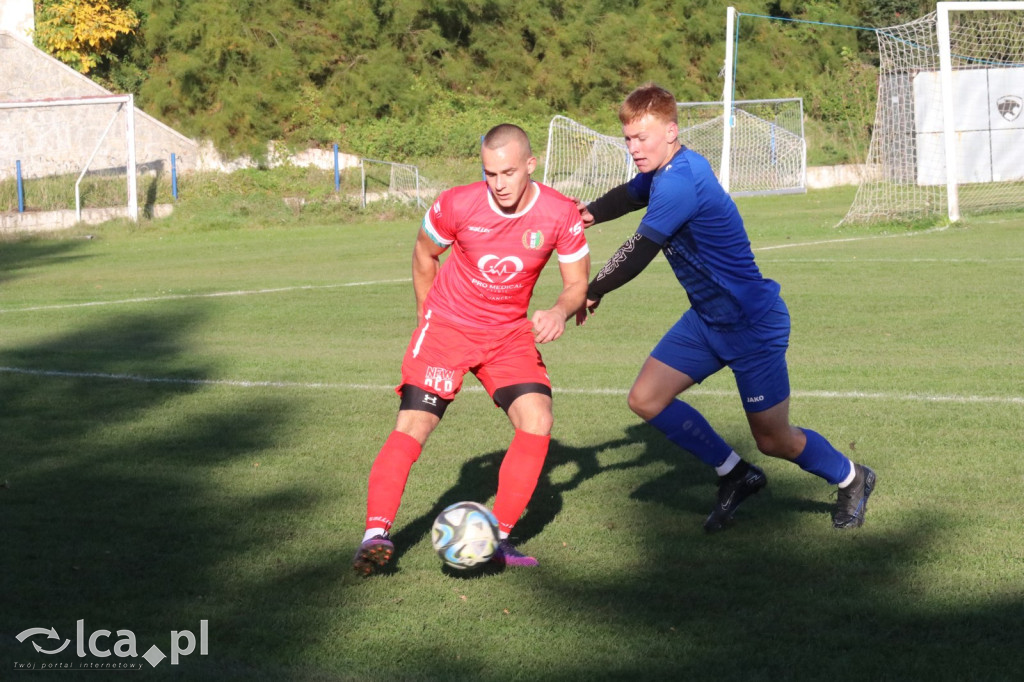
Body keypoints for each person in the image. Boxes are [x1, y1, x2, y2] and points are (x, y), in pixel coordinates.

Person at [574, 83, 875, 532]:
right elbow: (629, 194)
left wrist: (592, 289)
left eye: (644, 138)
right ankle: (736, 473)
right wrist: (588, 214)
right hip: (707, 320)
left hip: (751, 324)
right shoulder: (665, 170)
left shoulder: (680, 181)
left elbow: (639, 249)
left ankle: (853, 478)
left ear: (672, 131)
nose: (635, 148)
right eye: (629, 139)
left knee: (774, 439)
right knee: (646, 399)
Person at [352, 124, 591, 576]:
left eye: (507, 173)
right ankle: (375, 536)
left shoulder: (560, 213)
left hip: (507, 336)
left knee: (537, 418)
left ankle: (497, 539)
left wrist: (560, 310)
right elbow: (425, 254)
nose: (498, 184)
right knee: (415, 424)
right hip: (447, 330)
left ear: (529, 165)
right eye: (489, 173)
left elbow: (577, 284)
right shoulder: (458, 203)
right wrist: (428, 317)